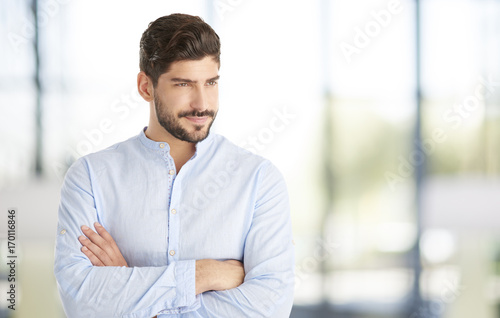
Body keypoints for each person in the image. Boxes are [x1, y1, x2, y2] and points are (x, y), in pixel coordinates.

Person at [53, 13, 295, 318]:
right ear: (145, 87)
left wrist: (134, 294)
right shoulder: (90, 178)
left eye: (211, 82)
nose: (202, 103)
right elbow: (81, 300)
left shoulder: (259, 180)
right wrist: (203, 275)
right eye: (183, 84)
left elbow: (269, 308)